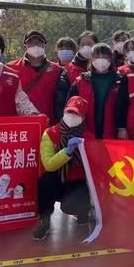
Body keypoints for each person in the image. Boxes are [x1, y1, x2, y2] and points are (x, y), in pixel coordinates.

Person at [32, 96, 94, 241]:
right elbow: (48, 164)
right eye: (69, 112)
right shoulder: (51, 133)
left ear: (83, 118)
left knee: (73, 203)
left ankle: (83, 212)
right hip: (58, 177)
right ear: (64, 111)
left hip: (78, 181)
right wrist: (67, 152)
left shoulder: (89, 138)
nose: (71, 116)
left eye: (76, 114)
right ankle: (44, 221)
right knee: (45, 182)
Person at [7, 30, 70, 126]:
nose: (35, 45)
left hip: (49, 124)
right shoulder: (11, 68)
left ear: (45, 46)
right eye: (31, 42)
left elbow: (62, 100)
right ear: (24, 46)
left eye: (39, 42)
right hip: (20, 125)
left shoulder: (57, 70)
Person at [67, 43, 125, 139]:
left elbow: (124, 107)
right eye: (97, 57)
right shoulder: (81, 80)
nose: (101, 60)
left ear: (111, 59)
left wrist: (122, 128)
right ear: (91, 59)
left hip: (112, 131)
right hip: (86, 132)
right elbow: (70, 106)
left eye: (105, 57)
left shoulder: (120, 80)